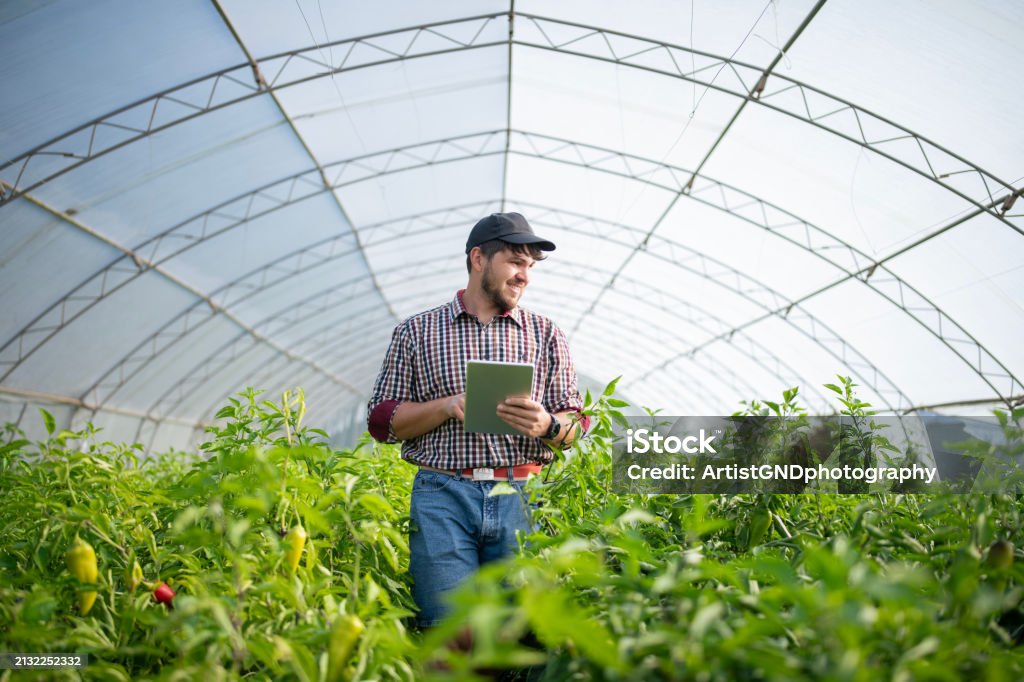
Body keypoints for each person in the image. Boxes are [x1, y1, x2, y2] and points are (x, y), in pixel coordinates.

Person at [366, 212, 589, 629]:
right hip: (442, 495)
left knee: (519, 633)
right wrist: (446, 406)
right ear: (478, 259)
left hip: (520, 494)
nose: (524, 275)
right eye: (515, 262)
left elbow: (576, 423)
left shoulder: (545, 334)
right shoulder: (417, 332)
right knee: (451, 632)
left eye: (529, 266)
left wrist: (547, 425)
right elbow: (381, 422)